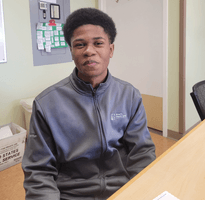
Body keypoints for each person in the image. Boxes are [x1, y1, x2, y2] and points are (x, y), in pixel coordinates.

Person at [22, 8, 156, 200]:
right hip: (71, 195)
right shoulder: (46, 104)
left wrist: (141, 191)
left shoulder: (129, 95)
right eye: (80, 44)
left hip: (122, 191)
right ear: (71, 51)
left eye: (98, 43)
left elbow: (142, 153)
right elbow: (38, 172)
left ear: (110, 50)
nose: (89, 51)